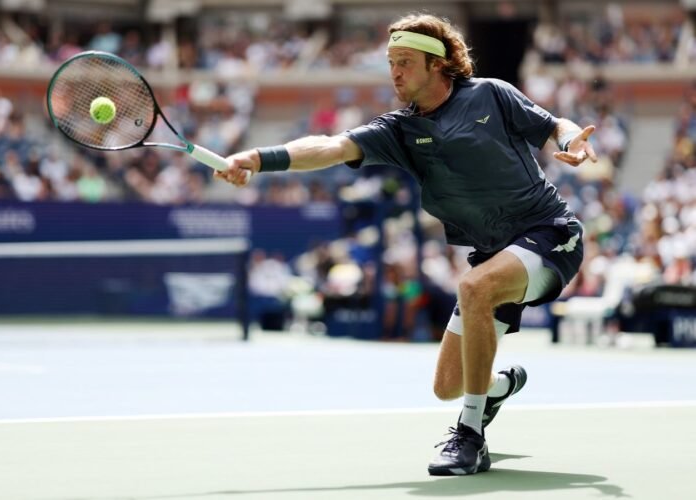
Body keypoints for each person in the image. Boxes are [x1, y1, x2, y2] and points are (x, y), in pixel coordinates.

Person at [216, 13, 597, 476]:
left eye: (405, 62)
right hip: (493, 255)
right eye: (391, 62)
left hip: (549, 234)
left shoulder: (490, 94)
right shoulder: (399, 131)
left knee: (474, 287)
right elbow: (331, 146)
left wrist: (572, 138)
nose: (395, 73)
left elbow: (555, 124)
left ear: (437, 64)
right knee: (447, 385)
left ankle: (470, 436)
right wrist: (257, 158)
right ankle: (498, 387)